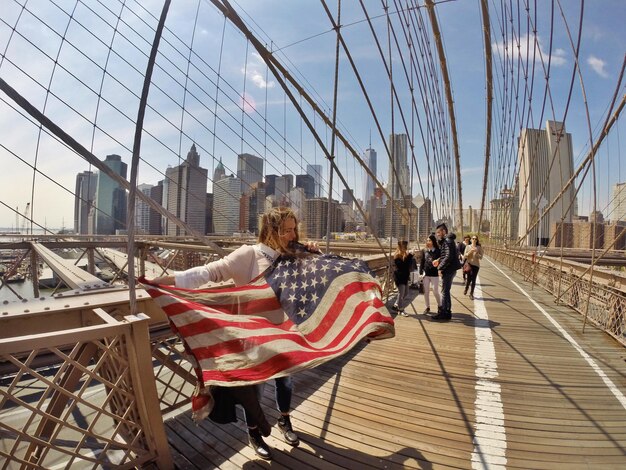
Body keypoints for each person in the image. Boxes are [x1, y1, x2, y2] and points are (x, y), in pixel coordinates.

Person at [151, 207, 315, 460]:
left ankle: (285, 421)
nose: (292, 235)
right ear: (270, 231)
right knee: (254, 390)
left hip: (284, 333)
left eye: (294, 229)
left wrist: (316, 254)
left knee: (286, 382)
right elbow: (209, 272)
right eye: (286, 231)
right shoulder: (249, 255)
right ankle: (255, 434)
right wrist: (161, 283)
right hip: (253, 337)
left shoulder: (294, 255)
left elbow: (316, 281)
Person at [432, 223, 459, 321]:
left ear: (444, 232)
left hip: (448, 270)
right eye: (437, 233)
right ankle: (447, 312)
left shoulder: (447, 241)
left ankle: (444, 313)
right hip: (450, 269)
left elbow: (448, 257)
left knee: (444, 292)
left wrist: (440, 268)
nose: (437, 235)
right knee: (446, 291)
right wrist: (439, 260)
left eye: (439, 232)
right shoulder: (448, 241)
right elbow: (447, 255)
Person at [419, 234, 441, 315]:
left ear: (433, 241)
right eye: (427, 240)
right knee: (426, 291)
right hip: (426, 274)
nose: (428, 242)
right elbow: (422, 262)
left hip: (435, 274)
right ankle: (427, 307)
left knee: (435, 291)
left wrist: (439, 265)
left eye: (430, 240)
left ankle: (440, 306)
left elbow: (441, 260)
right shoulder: (424, 250)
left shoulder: (438, 251)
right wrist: (420, 273)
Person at [392, 240, 413, 316]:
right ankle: (400, 310)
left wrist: (409, 256)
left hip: (405, 277)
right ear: (401, 247)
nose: (406, 248)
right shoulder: (397, 255)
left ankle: (396, 305)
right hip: (400, 277)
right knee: (401, 294)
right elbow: (402, 266)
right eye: (405, 246)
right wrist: (410, 256)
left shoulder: (404, 254)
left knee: (406, 292)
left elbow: (408, 265)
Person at [463, 235, 483, 300]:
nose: (474, 240)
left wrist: (477, 253)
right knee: (469, 279)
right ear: (471, 240)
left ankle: (471, 294)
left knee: (473, 279)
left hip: (476, 265)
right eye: (473, 238)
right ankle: (466, 288)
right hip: (469, 264)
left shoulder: (479, 247)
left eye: (475, 239)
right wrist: (470, 252)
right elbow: (465, 256)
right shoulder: (468, 246)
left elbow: (481, 257)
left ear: (477, 240)